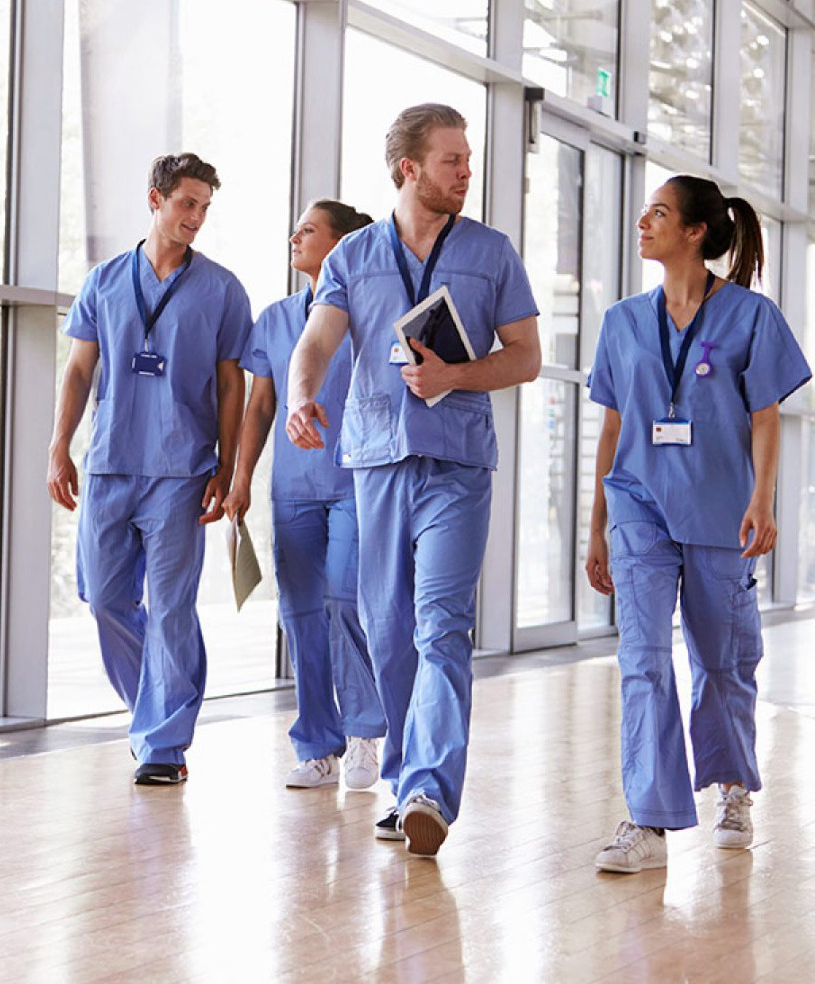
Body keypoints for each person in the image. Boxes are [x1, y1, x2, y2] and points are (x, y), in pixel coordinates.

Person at [286, 104, 541, 855]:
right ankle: (405, 782)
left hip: (457, 464)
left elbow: (524, 355)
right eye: (452, 160)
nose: (467, 172)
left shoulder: (492, 253)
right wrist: (303, 396)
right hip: (375, 461)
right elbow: (317, 341)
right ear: (409, 169)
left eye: (467, 159)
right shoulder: (353, 257)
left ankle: (430, 785)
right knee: (390, 631)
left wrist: (456, 375)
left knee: (440, 626)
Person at [586, 175, 810, 874]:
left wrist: (763, 500)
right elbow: (613, 423)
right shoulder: (622, 321)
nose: (643, 220)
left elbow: (767, 414)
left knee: (722, 661)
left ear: (695, 233)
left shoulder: (751, 316)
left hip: (720, 507)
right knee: (643, 659)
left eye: (659, 212)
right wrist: (596, 524)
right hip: (638, 508)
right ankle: (648, 820)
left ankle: (734, 786)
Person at [47, 152, 252, 787]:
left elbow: (230, 385)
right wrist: (60, 446)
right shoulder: (104, 281)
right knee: (105, 598)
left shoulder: (222, 289)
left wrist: (227, 464)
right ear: (155, 200)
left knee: (170, 608)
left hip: (182, 469)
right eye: (187, 203)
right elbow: (81, 369)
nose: (196, 217)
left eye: (205, 208)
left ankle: (164, 743)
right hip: (110, 463)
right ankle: (151, 712)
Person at [224, 200, 387, 791]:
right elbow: (261, 405)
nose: (295, 236)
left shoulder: (369, 314)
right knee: (299, 616)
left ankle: (366, 731)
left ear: (344, 245)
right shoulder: (274, 318)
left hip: (356, 481)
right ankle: (319, 743)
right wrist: (241, 480)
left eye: (309, 229)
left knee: (345, 600)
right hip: (292, 489)